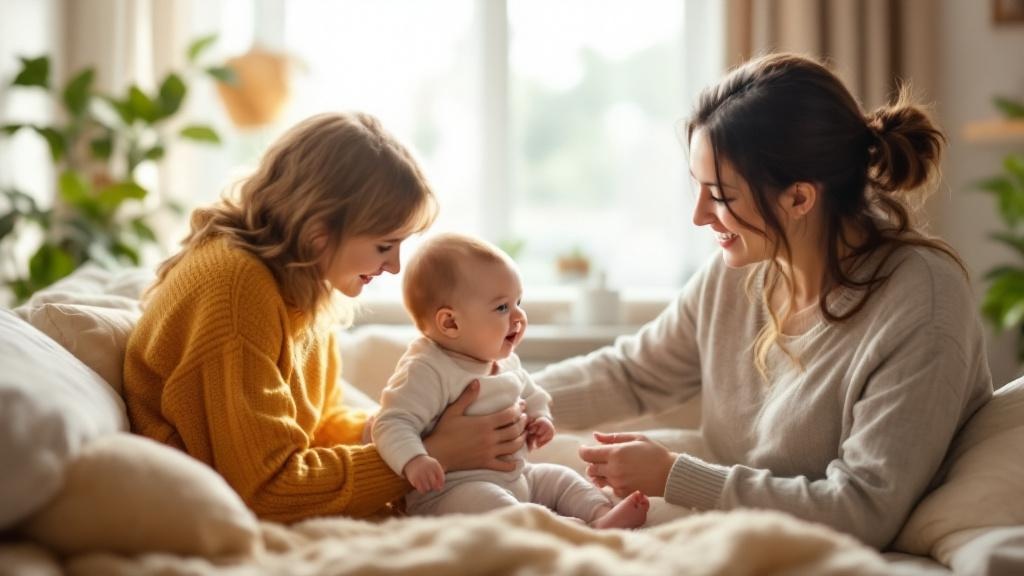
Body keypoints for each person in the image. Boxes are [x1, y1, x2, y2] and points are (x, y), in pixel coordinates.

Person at [532, 53, 994, 549]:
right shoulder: (743, 269)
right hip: (734, 530)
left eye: (720, 195)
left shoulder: (921, 303)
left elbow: (863, 510)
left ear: (799, 199)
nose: (699, 215)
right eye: (698, 187)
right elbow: (633, 374)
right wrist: (512, 402)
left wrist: (674, 477)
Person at [123, 112, 531, 523]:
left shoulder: (298, 284)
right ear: (319, 230)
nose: (393, 267)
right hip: (199, 516)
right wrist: (437, 454)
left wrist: (407, 433)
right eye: (384, 245)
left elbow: (316, 421)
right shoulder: (236, 292)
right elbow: (266, 491)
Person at [372, 232, 649, 528]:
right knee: (500, 507)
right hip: (451, 492)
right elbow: (391, 423)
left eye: (519, 302)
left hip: (516, 476)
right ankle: (565, 529)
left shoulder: (504, 360)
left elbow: (533, 394)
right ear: (450, 322)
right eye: (502, 307)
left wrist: (540, 418)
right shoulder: (427, 369)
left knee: (560, 477)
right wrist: (415, 460)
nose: (518, 316)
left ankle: (599, 514)